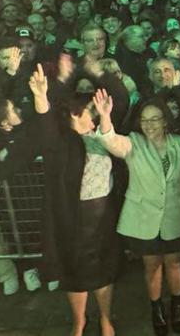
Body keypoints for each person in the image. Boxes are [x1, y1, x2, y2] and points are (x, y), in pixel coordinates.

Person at [28, 63, 126, 336]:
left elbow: (120, 104)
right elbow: (45, 126)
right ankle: (79, 321)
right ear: (71, 115)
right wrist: (40, 97)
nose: (92, 119)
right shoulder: (61, 142)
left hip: (103, 212)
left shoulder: (103, 137)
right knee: (75, 271)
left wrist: (99, 72)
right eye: (87, 114)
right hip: (73, 215)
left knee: (104, 269)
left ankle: (106, 319)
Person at [94, 92, 180, 336]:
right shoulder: (133, 142)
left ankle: (177, 306)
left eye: (155, 119)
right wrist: (105, 116)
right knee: (151, 266)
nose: (149, 124)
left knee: (174, 264)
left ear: (165, 120)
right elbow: (110, 141)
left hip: (174, 215)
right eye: (144, 120)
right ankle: (156, 309)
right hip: (143, 217)